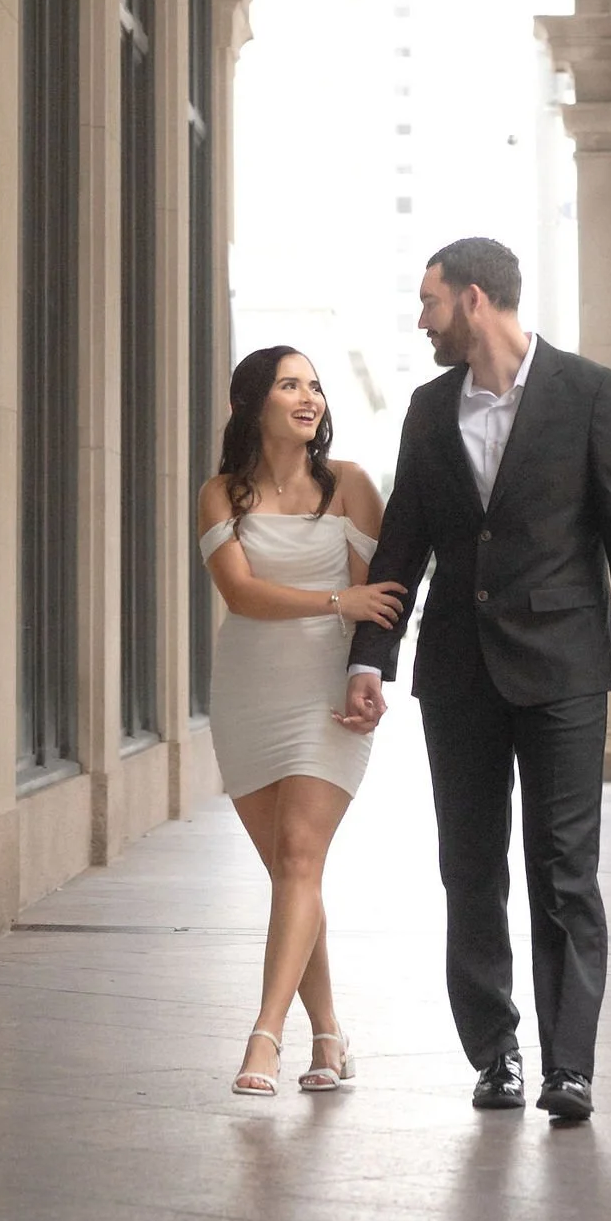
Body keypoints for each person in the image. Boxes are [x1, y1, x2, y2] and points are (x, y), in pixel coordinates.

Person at [340, 237, 611, 1125]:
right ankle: (496, 1055)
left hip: (563, 666)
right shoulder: (426, 409)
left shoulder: (591, 394)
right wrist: (371, 660)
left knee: (565, 868)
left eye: (430, 301)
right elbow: (403, 542)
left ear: (476, 299)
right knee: (471, 868)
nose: (421, 320)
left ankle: (571, 1063)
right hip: (458, 672)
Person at [197, 346, 402, 1099]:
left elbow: (382, 596)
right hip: (248, 694)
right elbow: (242, 595)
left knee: (297, 857)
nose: (308, 397)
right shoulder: (220, 495)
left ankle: (264, 1038)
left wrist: (368, 672)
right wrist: (334, 603)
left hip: (326, 696)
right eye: (290, 385)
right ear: (253, 403)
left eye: (315, 385)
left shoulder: (349, 485)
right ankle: (330, 1035)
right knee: (294, 875)